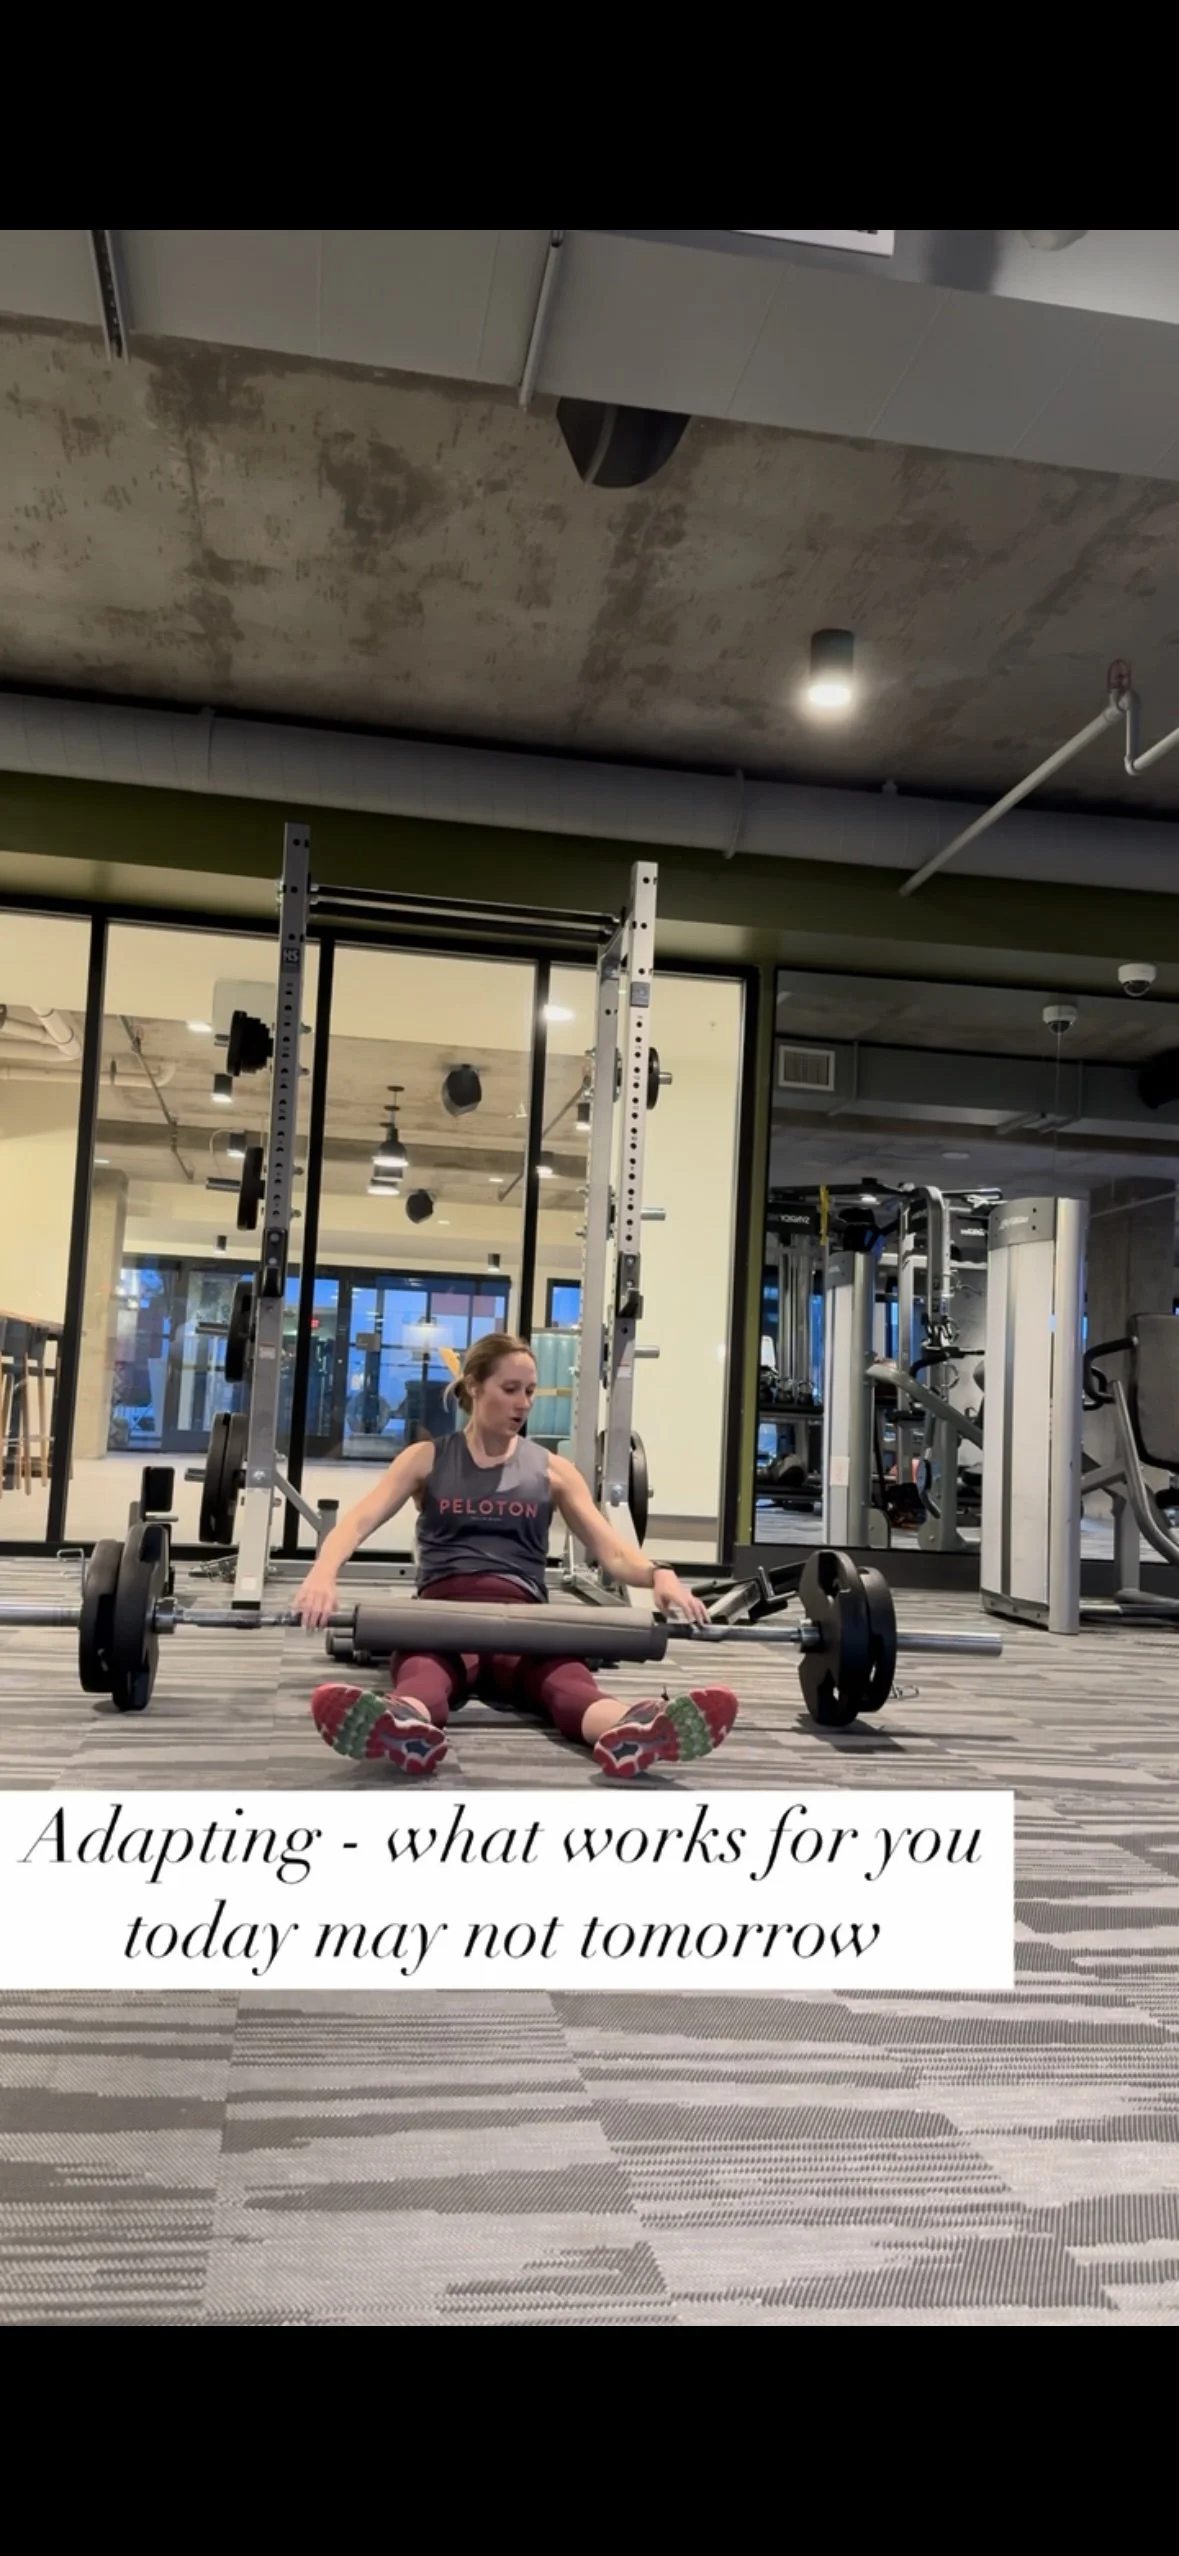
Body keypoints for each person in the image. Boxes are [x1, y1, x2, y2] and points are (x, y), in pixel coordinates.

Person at [296, 1330, 738, 1779]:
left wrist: (660, 1574)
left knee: (568, 1682)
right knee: (423, 1677)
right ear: (474, 1386)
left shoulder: (553, 1470)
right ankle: (401, 1724)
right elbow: (355, 1523)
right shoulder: (425, 1459)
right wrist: (322, 1573)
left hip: (525, 1620)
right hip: (442, 1618)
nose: (523, 1403)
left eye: (529, 1391)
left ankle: (635, 1729)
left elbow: (615, 1554)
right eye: (510, 1390)